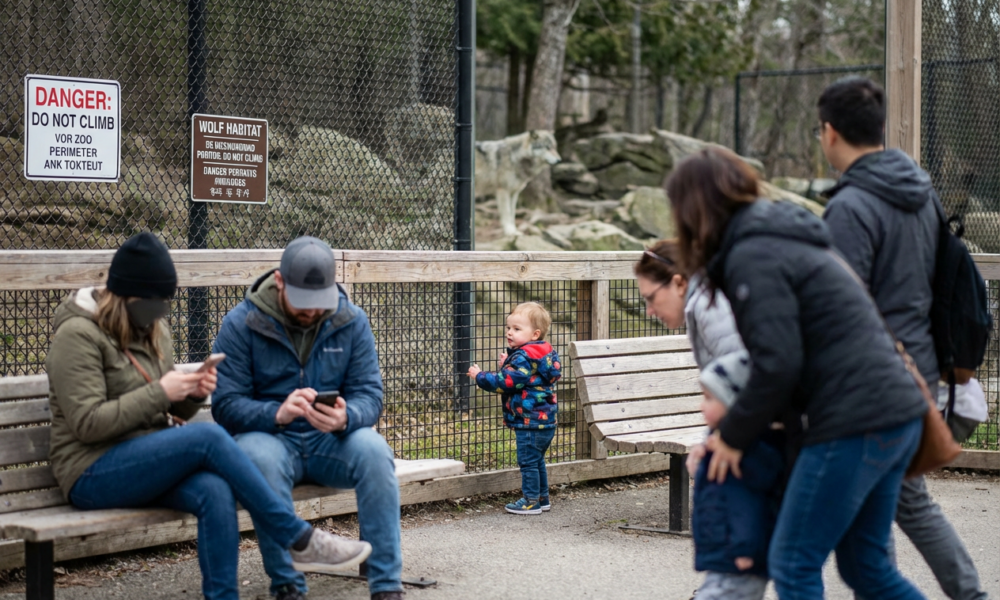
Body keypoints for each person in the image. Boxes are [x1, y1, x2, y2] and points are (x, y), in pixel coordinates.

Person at [45, 233, 372, 600]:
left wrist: (193, 392)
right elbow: (87, 424)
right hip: (91, 471)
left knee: (214, 490)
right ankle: (296, 536)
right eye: (152, 302)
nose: (159, 312)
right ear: (125, 295)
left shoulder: (153, 329)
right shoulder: (77, 334)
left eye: (164, 302)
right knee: (210, 437)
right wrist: (162, 391)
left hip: (145, 458)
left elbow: (167, 408)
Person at [666, 147, 928, 599]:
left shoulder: (753, 253)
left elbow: (777, 363)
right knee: (866, 566)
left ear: (694, 207)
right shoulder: (781, 238)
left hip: (853, 420)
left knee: (793, 564)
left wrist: (731, 436)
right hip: (895, 411)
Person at [818, 76, 988, 600]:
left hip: (875, 383)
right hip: (921, 368)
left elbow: (845, 308)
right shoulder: (922, 195)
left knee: (875, 521)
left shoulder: (851, 208)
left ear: (828, 133)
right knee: (899, 501)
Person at [211, 236, 402, 600]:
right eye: (303, 303)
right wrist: (276, 413)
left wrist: (348, 417)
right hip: (269, 436)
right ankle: (288, 586)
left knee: (374, 451)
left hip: (331, 440)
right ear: (280, 282)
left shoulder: (351, 319)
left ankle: (386, 585)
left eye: (319, 303)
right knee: (257, 459)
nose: (312, 312)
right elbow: (226, 405)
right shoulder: (241, 323)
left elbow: (370, 395)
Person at [634, 239, 746, 474]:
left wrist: (731, 438)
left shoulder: (708, 306)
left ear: (679, 283)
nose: (649, 310)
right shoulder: (703, 302)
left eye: (651, 297)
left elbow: (746, 376)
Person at [693, 351, 783, 600]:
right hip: (726, 553)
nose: (702, 405)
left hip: (737, 558)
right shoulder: (721, 445)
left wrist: (745, 549)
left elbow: (745, 504)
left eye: (709, 398)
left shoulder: (743, 454)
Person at [467, 302, 561, 515]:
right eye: (509, 327)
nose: (510, 332)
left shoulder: (522, 357)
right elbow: (528, 378)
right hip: (546, 421)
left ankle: (530, 502)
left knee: (528, 462)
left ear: (535, 333)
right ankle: (542, 498)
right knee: (537, 461)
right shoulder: (543, 352)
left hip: (529, 421)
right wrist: (508, 363)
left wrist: (479, 376)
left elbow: (506, 382)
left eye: (517, 329)